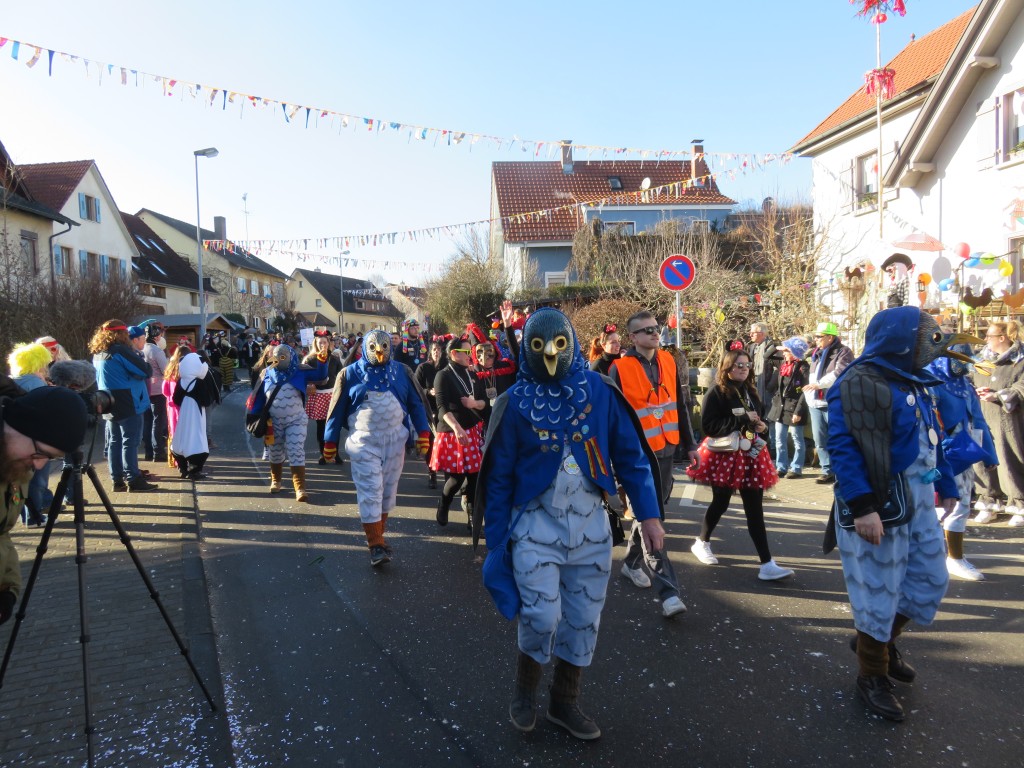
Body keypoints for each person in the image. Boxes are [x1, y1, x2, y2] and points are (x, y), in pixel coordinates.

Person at [477, 307, 665, 741]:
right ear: (527, 348)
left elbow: (631, 458)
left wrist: (650, 516)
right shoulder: (513, 402)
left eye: (558, 345)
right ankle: (525, 691)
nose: (549, 356)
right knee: (541, 617)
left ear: (573, 344)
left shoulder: (600, 391)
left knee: (583, 619)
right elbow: (499, 478)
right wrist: (496, 541)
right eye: (539, 347)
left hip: (590, 528)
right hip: (534, 527)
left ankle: (565, 702)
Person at [825, 306, 974, 722]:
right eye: (926, 338)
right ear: (901, 340)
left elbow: (932, 436)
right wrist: (863, 507)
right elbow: (843, 448)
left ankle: (878, 642)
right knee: (877, 591)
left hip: (919, 500)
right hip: (879, 506)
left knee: (931, 578)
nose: (931, 347)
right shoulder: (856, 383)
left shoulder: (916, 379)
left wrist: (943, 484)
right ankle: (871, 674)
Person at [610, 311, 697, 617]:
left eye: (655, 329)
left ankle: (631, 563)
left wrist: (690, 445)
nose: (653, 333)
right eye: (645, 331)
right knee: (653, 519)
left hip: (666, 450)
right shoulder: (619, 368)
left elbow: (680, 405)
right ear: (632, 338)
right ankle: (668, 591)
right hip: (636, 457)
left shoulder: (670, 362)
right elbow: (615, 417)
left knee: (652, 514)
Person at [323, 330, 430, 566]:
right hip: (363, 442)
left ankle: (379, 536)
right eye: (373, 347)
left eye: (383, 346)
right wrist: (330, 441)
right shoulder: (349, 374)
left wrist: (423, 432)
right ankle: (375, 545)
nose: (379, 352)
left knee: (388, 491)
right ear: (365, 348)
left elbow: (416, 403)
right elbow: (337, 409)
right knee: (371, 488)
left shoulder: (403, 372)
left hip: (395, 440)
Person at [687, 344, 794, 580]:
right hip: (725, 455)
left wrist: (762, 427)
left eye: (747, 365)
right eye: (739, 365)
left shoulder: (751, 392)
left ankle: (767, 563)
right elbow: (708, 427)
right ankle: (702, 542)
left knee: (754, 509)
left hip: (751, 455)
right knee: (721, 502)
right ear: (727, 368)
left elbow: (759, 422)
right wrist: (740, 421)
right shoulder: (716, 392)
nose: (744, 369)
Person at [1, 386, 89, 627]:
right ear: (21, 426)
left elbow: (2, 534)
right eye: (40, 453)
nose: (39, 466)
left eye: (49, 459)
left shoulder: (14, 464)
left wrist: (8, 589)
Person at [926, 346, 996, 580]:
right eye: (959, 359)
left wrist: (989, 455)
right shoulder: (928, 378)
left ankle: (955, 558)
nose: (963, 365)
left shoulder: (965, 384)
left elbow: (979, 420)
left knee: (961, 503)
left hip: (963, 453)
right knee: (934, 506)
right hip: (934, 453)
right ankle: (926, 557)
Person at [247, 344, 327, 502]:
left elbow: (321, 378)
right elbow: (260, 398)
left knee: (295, 449)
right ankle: (276, 480)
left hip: (296, 420)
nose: (278, 360)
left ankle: (300, 487)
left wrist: (322, 361)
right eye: (276, 357)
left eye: (282, 357)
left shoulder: (300, 371)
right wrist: (254, 416)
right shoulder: (267, 372)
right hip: (273, 421)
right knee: (275, 452)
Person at [89, 320, 157, 493]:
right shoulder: (120, 350)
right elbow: (145, 371)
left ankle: (117, 480)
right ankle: (133, 479)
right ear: (121, 334)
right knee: (130, 442)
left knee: (114, 441)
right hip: (128, 401)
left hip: (107, 400)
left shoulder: (98, 352)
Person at [430, 337, 487, 531]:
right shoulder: (443, 376)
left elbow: (484, 402)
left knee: (475, 477)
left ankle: (473, 518)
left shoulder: (473, 374)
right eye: (467, 352)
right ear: (454, 353)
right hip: (452, 432)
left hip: (472, 431)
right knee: (456, 478)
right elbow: (441, 407)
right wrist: (456, 427)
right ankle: (444, 503)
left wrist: (474, 404)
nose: (471, 355)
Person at [972, 320, 1024, 526]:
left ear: (1002, 338)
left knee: (1009, 457)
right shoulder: (982, 360)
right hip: (981, 416)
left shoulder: (1019, 361)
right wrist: (974, 391)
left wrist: (1000, 396)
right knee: (983, 458)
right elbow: (969, 377)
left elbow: (1021, 387)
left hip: (1008, 420)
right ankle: (989, 499)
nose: (985, 340)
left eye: (989, 336)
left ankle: (1018, 502)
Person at [7, 343, 54, 526]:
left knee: (23, 480)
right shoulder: (35, 383)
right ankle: (35, 517)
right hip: (36, 438)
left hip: (18, 437)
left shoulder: (15, 379)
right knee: (38, 480)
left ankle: (27, 515)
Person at [803, 321, 854, 484]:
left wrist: (819, 384)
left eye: (819, 336)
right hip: (815, 403)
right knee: (819, 439)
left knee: (837, 438)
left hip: (833, 402)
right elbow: (812, 376)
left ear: (830, 338)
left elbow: (840, 372)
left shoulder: (844, 352)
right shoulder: (815, 354)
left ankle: (841, 471)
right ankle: (827, 470)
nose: (816, 339)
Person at [768, 337, 810, 479]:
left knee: (797, 439)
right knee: (780, 439)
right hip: (780, 406)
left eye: (787, 351)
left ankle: (796, 468)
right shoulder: (783, 364)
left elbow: (805, 391)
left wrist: (798, 411)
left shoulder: (803, 367)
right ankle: (781, 466)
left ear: (795, 353)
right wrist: (778, 347)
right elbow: (766, 356)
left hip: (795, 407)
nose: (784, 354)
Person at [169, 351, 216, 479]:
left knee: (182, 436)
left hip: (184, 412)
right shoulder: (199, 382)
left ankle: (183, 469)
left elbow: (175, 399)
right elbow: (207, 401)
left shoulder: (181, 381)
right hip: (196, 414)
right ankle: (195, 471)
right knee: (196, 438)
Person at [304, 332, 344, 465]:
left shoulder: (334, 359)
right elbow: (305, 377)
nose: (322, 345)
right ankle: (323, 454)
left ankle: (336, 453)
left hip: (332, 395)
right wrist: (310, 384)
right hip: (319, 395)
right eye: (320, 343)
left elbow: (341, 376)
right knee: (321, 426)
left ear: (329, 344)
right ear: (315, 344)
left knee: (334, 426)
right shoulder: (310, 360)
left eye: (325, 342)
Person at [747, 322, 783, 456]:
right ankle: (758, 445)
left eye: (753, 332)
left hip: (768, 390)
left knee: (770, 418)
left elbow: (778, 369)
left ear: (761, 333)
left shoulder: (772, 348)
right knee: (757, 417)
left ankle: (772, 448)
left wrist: (769, 386)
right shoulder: (751, 347)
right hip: (755, 388)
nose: (750, 334)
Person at [415, 340, 446, 489]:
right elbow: (416, 387)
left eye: (439, 349)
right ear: (430, 352)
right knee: (431, 443)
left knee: (445, 443)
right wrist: (428, 392)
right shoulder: (423, 368)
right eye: (434, 349)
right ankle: (431, 473)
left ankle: (448, 473)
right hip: (428, 410)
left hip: (444, 410)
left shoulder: (446, 368)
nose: (436, 352)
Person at [141, 323, 169, 464]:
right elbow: (166, 370)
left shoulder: (141, 350)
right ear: (157, 336)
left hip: (145, 389)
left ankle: (148, 451)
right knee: (158, 421)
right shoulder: (157, 351)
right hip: (158, 390)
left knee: (147, 421)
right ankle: (158, 451)